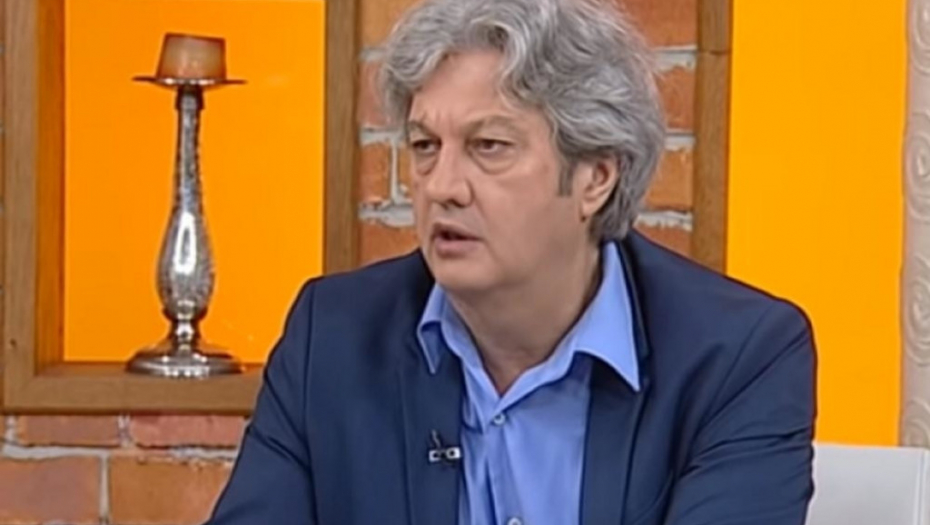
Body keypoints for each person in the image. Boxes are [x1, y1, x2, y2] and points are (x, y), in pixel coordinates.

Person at [206, 0, 816, 523]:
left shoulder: (738, 358)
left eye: (488, 146)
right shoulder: (332, 338)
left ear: (595, 178)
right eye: (425, 146)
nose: (442, 186)